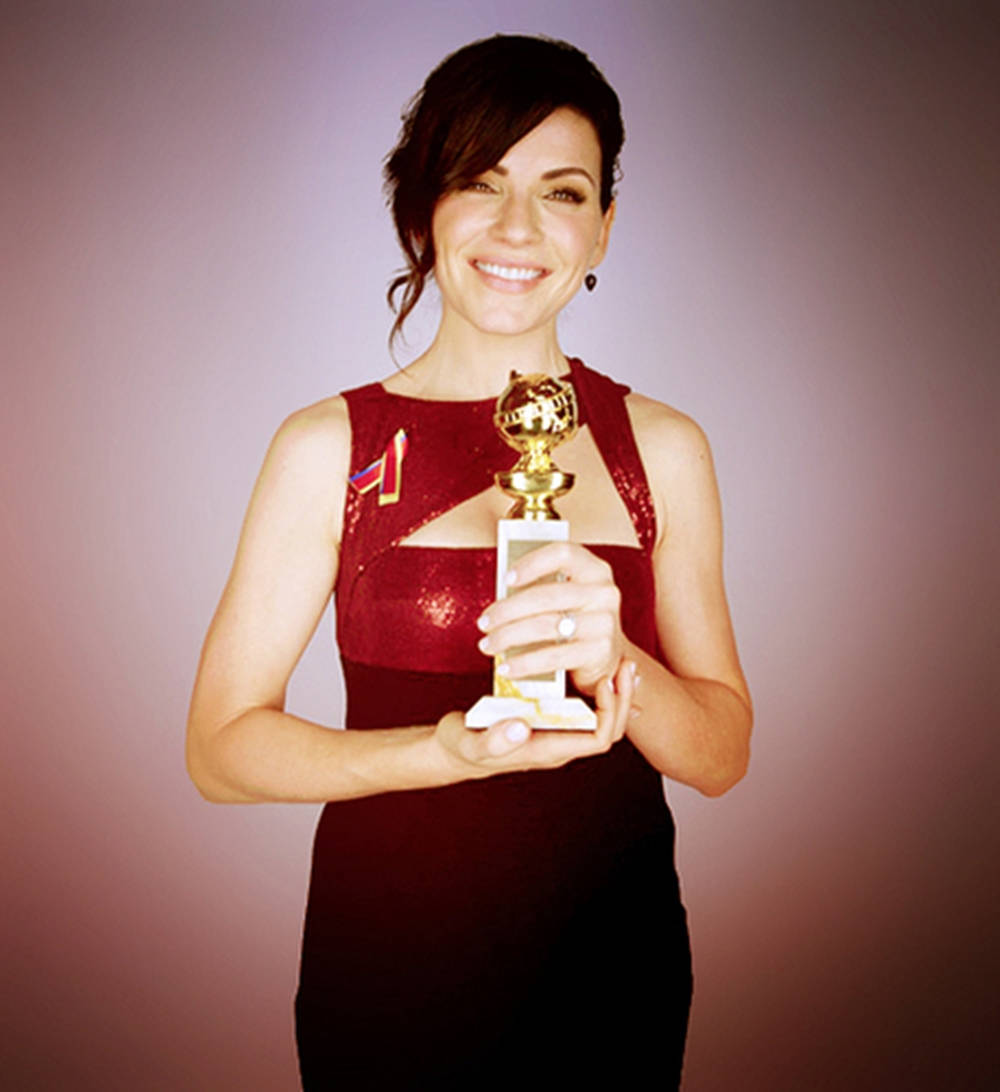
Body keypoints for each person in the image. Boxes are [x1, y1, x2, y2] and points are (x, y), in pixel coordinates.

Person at [187, 34, 751, 1090]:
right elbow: (220, 749)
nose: (517, 229)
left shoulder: (661, 447)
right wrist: (441, 753)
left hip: (610, 958)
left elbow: (721, 753)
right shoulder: (329, 447)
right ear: (421, 211)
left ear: (603, 229)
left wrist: (616, 649)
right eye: (477, 182)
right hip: (391, 961)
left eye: (563, 192)